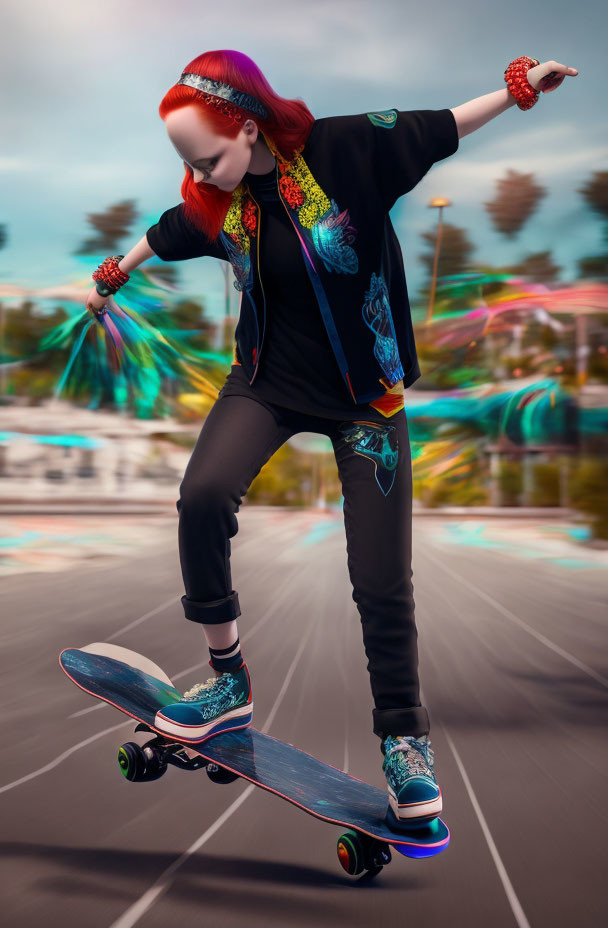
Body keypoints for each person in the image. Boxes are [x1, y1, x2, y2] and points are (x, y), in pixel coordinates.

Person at [87, 49, 577, 828]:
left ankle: (405, 745)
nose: (201, 177)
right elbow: (169, 230)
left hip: (365, 404)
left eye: (209, 158)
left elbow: (441, 126)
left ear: (247, 127)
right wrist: (117, 272)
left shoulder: (345, 152)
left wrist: (520, 91)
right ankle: (227, 681)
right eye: (188, 164)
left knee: (381, 579)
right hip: (268, 384)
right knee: (203, 495)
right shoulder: (218, 204)